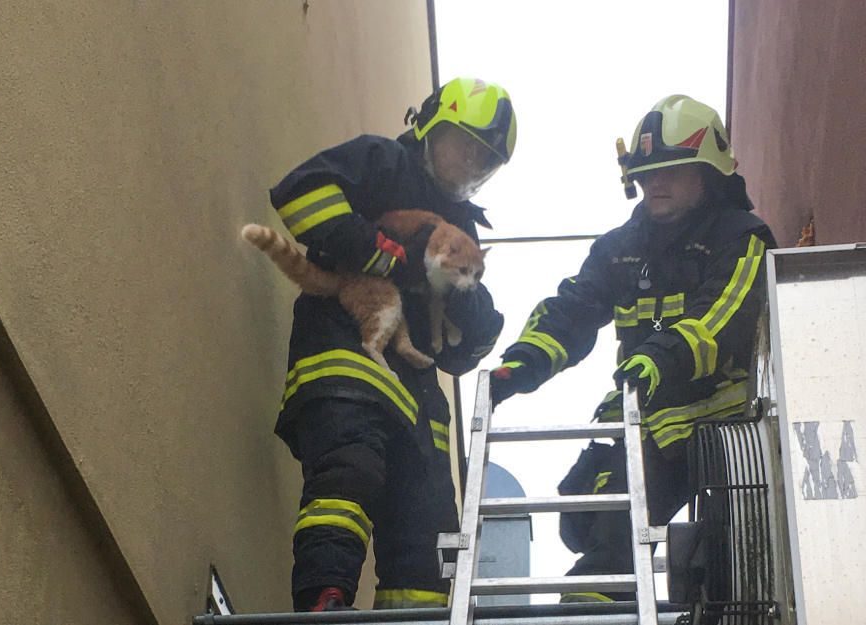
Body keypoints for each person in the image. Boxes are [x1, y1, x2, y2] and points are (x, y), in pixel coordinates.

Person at [488, 95, 777, 601]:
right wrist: (523, 362)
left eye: (669, 172)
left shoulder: (742, 238)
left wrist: (656, 359)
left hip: (725, 433)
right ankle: (594, 605)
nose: (654, 185)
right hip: (643, 421)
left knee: (736, 571)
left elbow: (721, 318)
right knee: (591, 529)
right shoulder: (619, 248)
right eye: (646, 174)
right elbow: (573, 309)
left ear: (707, 174)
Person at [267, 77, 514, 611]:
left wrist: (467, 307)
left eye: (487, 159)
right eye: (466, 144)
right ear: (430, 126)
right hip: (348, 357)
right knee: (349, 472)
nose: (473, 164)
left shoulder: (464, 228)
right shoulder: (382, 163)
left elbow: (466, 349)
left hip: (420, 403)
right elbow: (298, 193)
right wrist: (381, 253)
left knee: (427, 529)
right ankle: (324, 603)